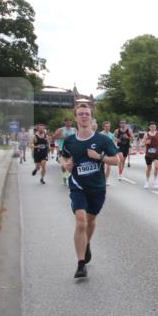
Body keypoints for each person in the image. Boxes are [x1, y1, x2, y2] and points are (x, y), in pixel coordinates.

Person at [59, 102, 119, 279]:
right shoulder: (70, 141)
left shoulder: (102, 140)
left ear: (91, 117)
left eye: (87, 114)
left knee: (91, 221)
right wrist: (65, 164)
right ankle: (80, 264)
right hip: (78, 185)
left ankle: (86, 244)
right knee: (81, 221)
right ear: (76, 118)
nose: (84, 116)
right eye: (81, 114)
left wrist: (99, 156)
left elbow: (116, 160)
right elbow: (63, 156)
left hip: (97, 187)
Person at [54, 119, 76, 186]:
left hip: (72, 149)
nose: (69, 122)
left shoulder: (74, 130)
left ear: (72, 122)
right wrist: (62, 136)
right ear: (65, 122)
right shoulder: (60, 130)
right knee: (64, 165)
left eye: (70, 121)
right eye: (67, 121)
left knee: (71, 164)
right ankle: (64, 176)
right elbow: (54, 137)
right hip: (62, 149)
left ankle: (69, 177)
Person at [141, 121, 158, 188]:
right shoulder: (146, 134)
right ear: (149, 127)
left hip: (156, 153)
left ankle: (155, 181)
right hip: (148, 154)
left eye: (154, 126)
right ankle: (147, 181)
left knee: (156, 167)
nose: (153, 128)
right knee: (149, 168)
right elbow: (141, 144)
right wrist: (146, 143)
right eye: (151, 126)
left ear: (155, 127)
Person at [101, 121, 116, 185]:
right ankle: (101, 179)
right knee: (102, 167)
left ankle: (106, 180)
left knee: (108, 167)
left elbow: (113, 143)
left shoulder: (111, 135)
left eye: (108, 126)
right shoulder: (100, 134)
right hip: (101, 152)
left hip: (109, 153)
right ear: (103, 127)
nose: (107, 127)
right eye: (106, 126)